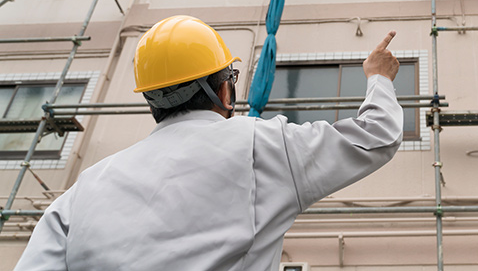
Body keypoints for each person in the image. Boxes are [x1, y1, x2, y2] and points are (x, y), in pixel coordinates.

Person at [14, 15, 403, 271]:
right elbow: (377, 134)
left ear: (151, 99)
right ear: (224, 90)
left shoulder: (83, 189)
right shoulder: (263, 144)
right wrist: (379, 76)